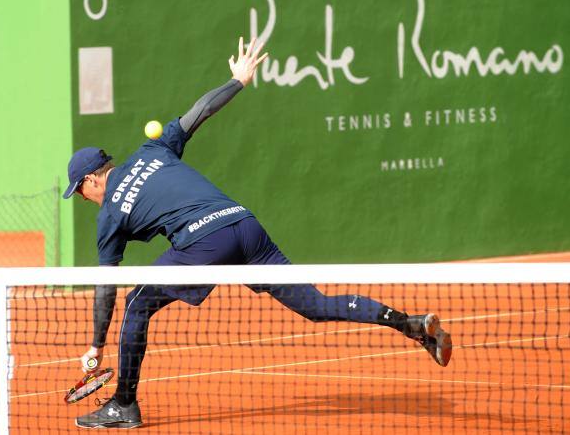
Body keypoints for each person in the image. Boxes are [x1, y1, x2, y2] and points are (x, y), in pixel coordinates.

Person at [65, 37, 452, 429]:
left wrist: (97, 344)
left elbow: (104, 286)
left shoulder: (110, 215)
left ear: (90, 182)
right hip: (245, 226)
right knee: (315, 306)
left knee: (136, 304)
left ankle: (124, 405)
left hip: (205, 240)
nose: (82, 199)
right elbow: (198, 113)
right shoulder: (152, 151)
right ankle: (412, 325)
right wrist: (238, 81)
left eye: (79, 191)